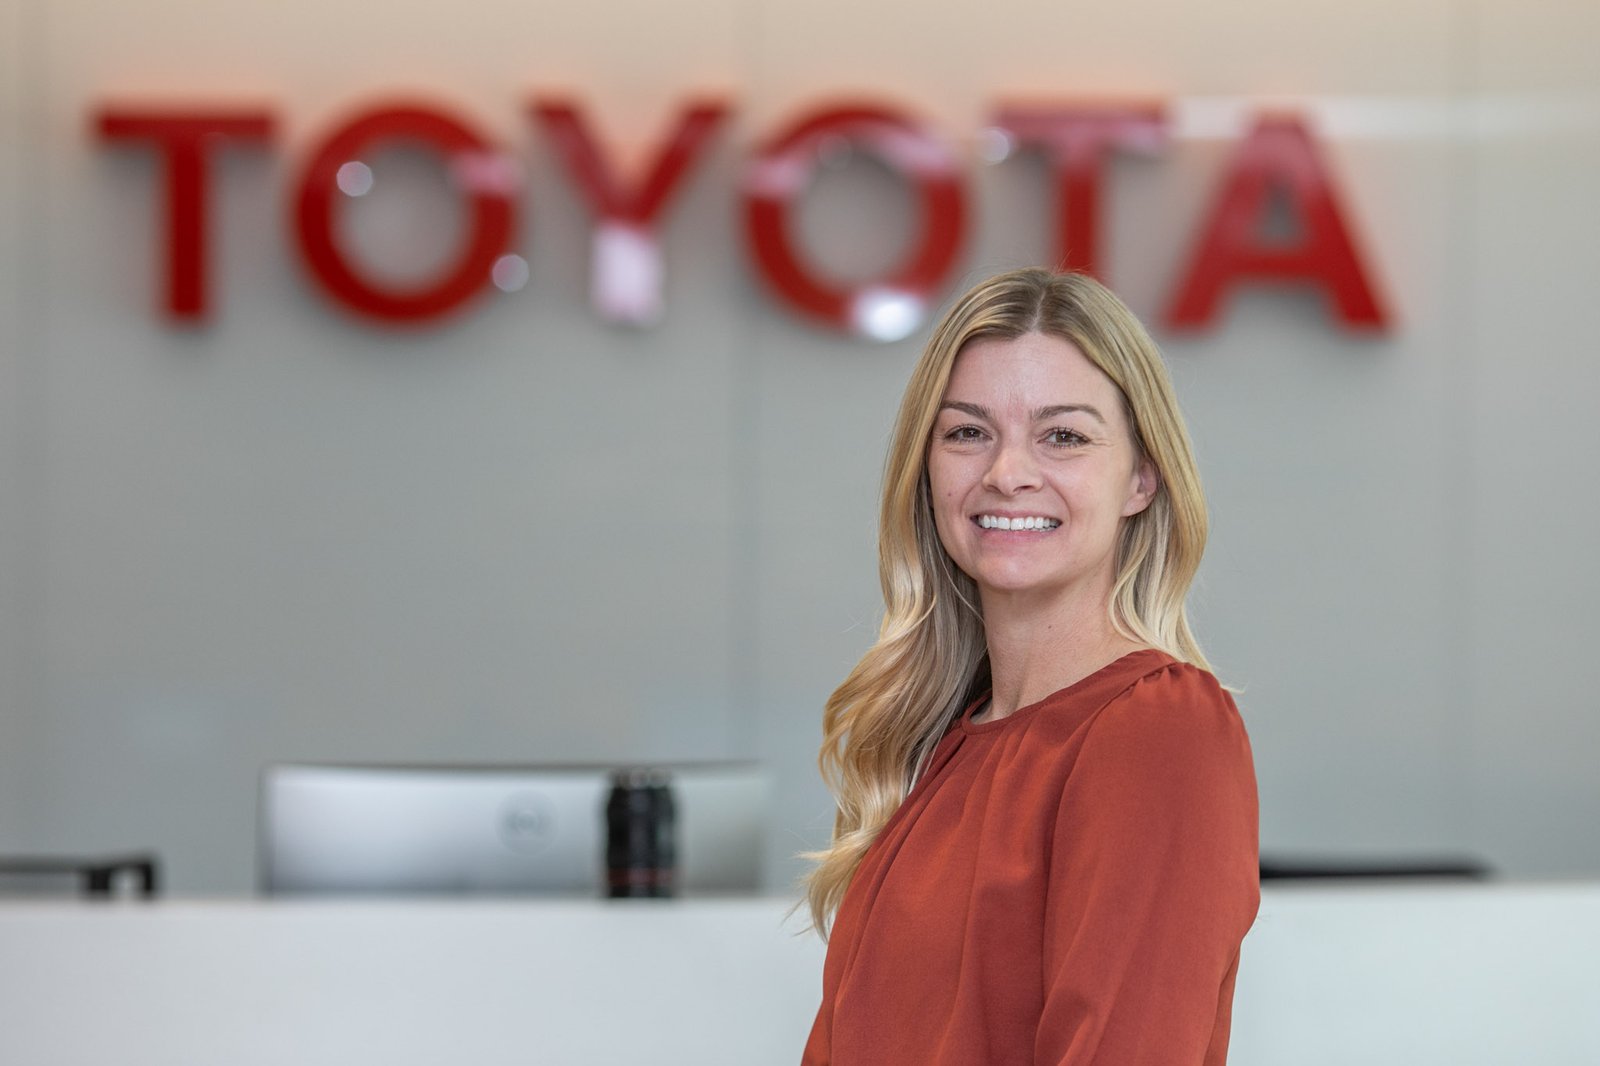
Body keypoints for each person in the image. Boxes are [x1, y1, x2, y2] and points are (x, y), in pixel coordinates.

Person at [800, 268, 1259, 1065]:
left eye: (1064, 436)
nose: (1007, 472)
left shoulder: (1157, 728)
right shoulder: (947, 747)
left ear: (1141, 479)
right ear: (928, 468)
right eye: (968, 432)